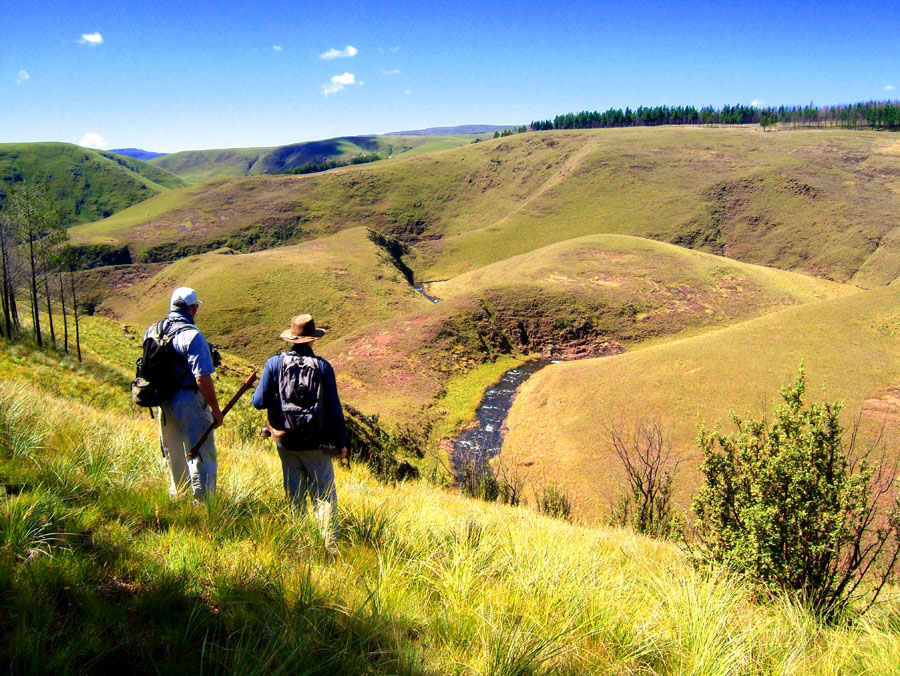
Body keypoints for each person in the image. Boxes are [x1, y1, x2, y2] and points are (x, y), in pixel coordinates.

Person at [251, 313, 348, 548]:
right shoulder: (323, 367)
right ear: (313, 339)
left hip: (286, 442)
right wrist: (342, 442)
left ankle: (299, 544)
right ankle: (328, 546)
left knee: (294, 495)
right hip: (318, 445)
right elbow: (334, 409)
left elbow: (258, 402)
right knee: (324, 496)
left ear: (291, 338)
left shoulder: (274, 364)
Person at [149, 286, 223, 502]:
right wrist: (215, 409)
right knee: (201, 453)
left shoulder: (152, 330)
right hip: (189, 402)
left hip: (162, 402)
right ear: (193, 310)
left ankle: (178, 498)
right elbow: (202, 377)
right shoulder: (192, 336)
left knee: (173, 453)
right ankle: (203, 503)